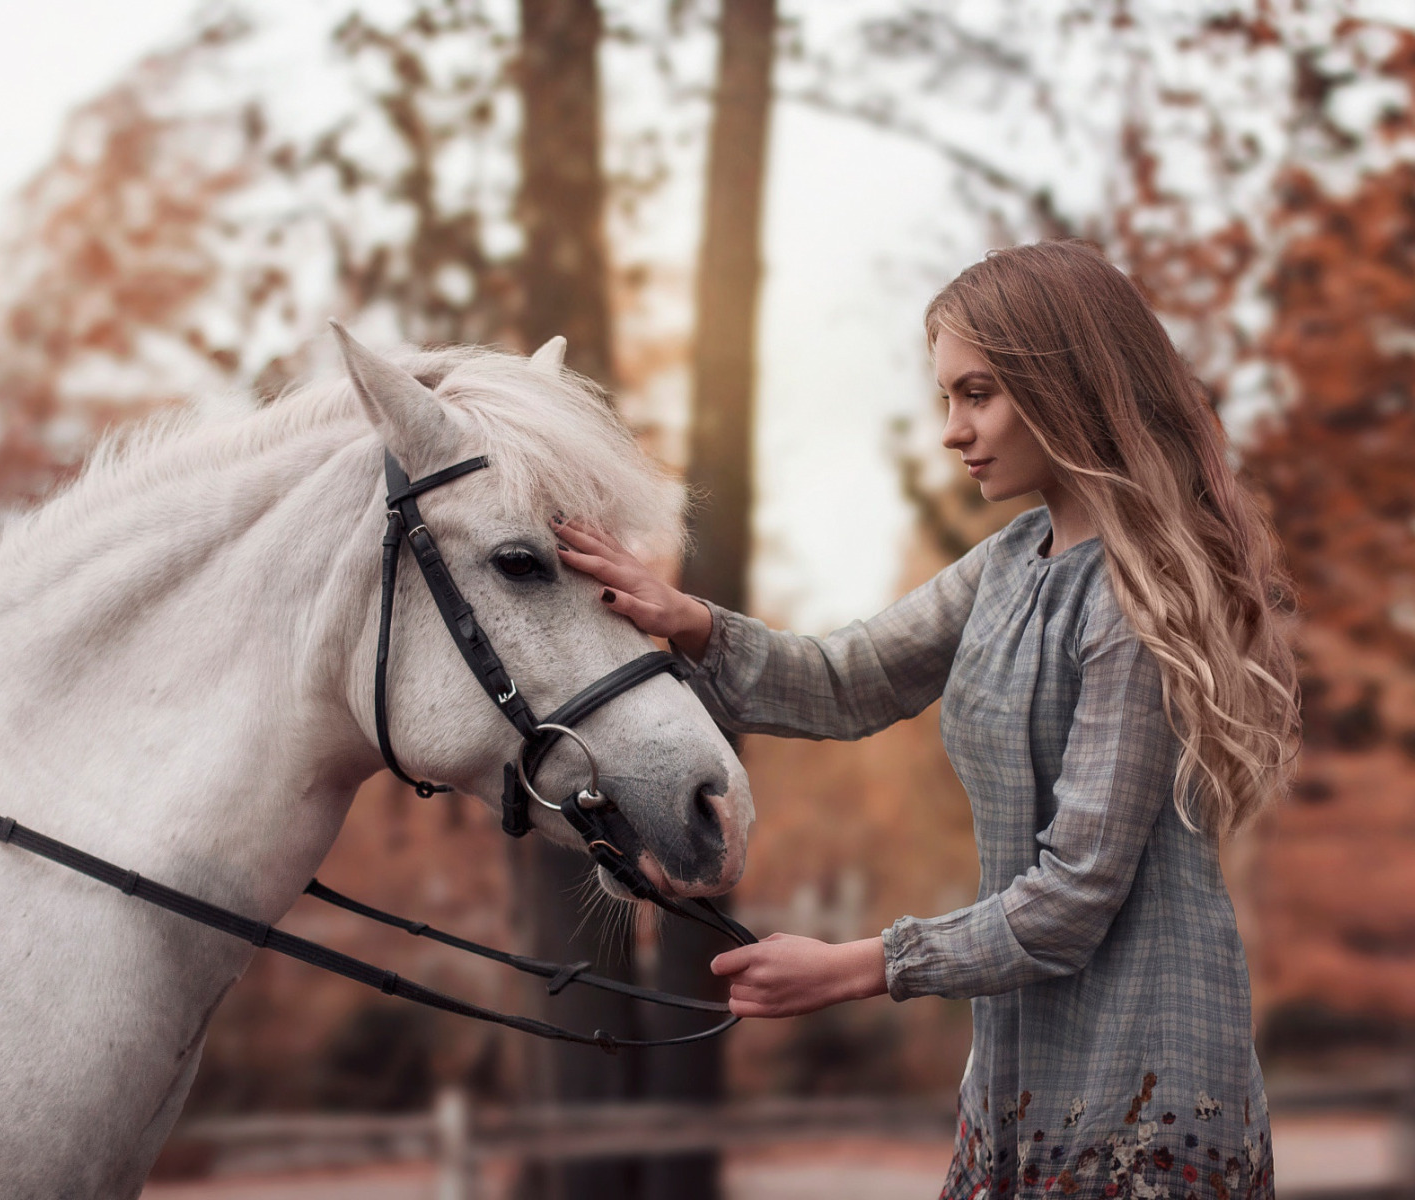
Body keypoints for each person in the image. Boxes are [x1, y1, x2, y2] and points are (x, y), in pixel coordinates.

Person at [553, 239, 1300, 1200]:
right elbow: (848, 680)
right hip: (1020, 1063)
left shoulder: (1130, 600)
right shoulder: (1009, 562)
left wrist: (858, 967)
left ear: (1066, 383)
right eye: (949, 396)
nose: (953, 429)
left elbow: (1072, 899)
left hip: (1146, 1071)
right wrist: (687, 621)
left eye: (978, 392)